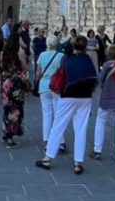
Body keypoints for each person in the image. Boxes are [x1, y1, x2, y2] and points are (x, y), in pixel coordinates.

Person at [35, 35, 98, 174]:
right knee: (81, 129)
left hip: (68, 96)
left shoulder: (67, 59)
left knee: (58, 126)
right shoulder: (87, 60)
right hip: (85, 97)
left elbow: (63, 76)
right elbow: (94, 79)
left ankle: (48, 158)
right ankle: (78, 163)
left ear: (74, 46)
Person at [92, 44, 115, 165]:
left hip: (107, 97)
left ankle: (97, 150)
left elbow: (100, 79)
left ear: (109, 54)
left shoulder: (106, 65)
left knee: (100, 121)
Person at [35, 34, 66, 155]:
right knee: (59, 115)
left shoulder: (42, 55)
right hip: (57, 87)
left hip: (44, 86)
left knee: (47, 114)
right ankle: (61, 142)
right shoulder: (61, 56)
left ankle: (47, 140)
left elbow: (38, 73)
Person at [0, 33, 29, 147]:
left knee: (7, 107)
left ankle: (6, 131)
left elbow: (1, 66)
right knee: (16, 109)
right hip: (16, 84)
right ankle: (10, 137)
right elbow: (24, 68)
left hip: (6, 82)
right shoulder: (20, 53)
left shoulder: (4, 53)